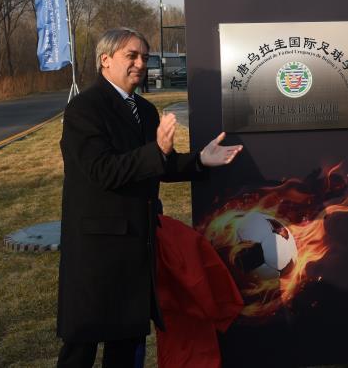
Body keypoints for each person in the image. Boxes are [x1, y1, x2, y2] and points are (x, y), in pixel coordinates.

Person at [57, 27, 243, 368]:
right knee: (81, 346)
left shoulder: (143, 110)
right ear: (105, 60)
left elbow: (159, 163)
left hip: (137, 244)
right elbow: (102, 171)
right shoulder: (84, 109)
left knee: (127, 342)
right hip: (96, 249)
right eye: (132, 56)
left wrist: (200, 159)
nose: (141, 63)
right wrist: (156, 151)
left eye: (145, 56)